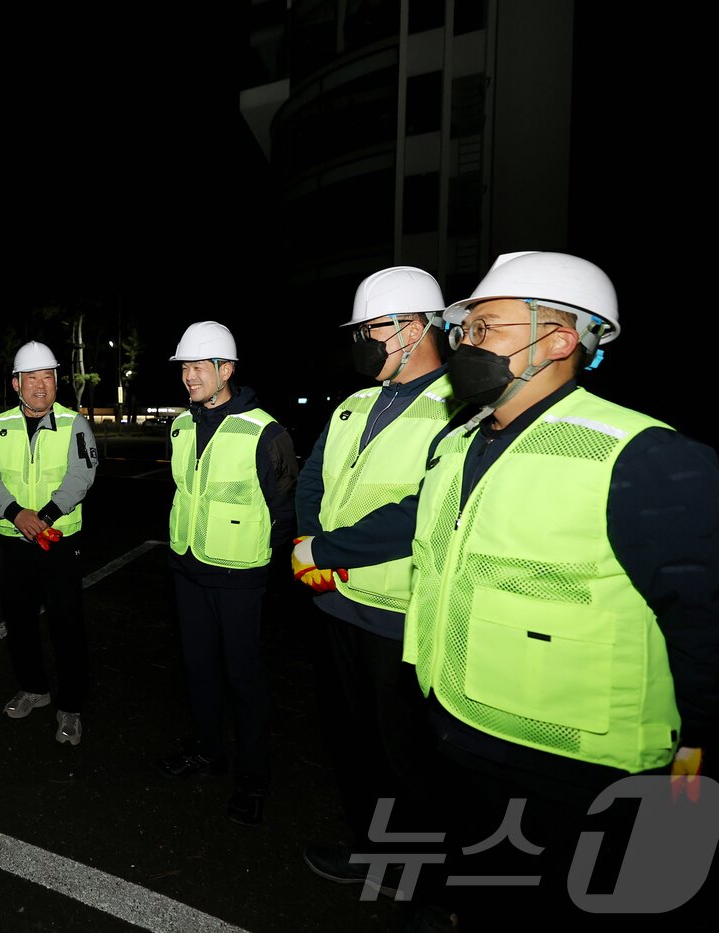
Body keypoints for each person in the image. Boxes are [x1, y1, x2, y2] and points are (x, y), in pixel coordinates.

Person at [297, 252, 719, 926]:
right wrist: (322, 549)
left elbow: (712, 622)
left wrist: (701, 740)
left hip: (576, 764)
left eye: (487, 329)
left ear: (560, 340)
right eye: (465, 332)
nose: (466, 344)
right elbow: (424, 534)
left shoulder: (645, 457)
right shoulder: (464, 444)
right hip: (465, 724)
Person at [292, 268, 462, 897]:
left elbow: (426, 506)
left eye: (372, 329)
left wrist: (328, 548)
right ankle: (373, 856)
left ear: (415, 328)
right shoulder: (353, 404)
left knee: (406, 756)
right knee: (353, 745)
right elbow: (314, 478)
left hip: (399, 615)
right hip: (335, 602)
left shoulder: (459, 408)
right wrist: (309, 546)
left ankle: (422, 881)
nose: (362, 341)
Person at [155, 321, 297, 826]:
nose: (189, 377)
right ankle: (209, 753)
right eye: (185, 367)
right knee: (197, 669)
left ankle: (253, 779)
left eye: (199, 367)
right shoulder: (180, 426)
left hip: (239, 576)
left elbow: (285, 511)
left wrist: (262, 565)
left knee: (244, 678)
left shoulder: (266, 431)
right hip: (187, 567)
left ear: (226, 371)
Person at [0, 340, 96, 746]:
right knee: (19, 621)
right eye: (32, 379)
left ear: (56, 383)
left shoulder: (74, 423)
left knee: (66, 623)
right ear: (16, 384)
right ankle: (34, 689)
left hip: (59, 541)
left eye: (47, 378)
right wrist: (16, 515)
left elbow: (82, 476)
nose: (40, 386)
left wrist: (42, 517)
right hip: (12, 540)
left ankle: (71, 707)